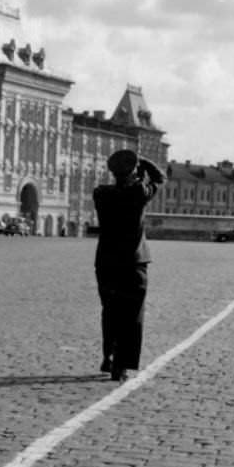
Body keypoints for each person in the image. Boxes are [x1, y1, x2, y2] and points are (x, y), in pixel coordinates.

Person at [93, 149, 165, 382]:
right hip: (133, 262)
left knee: (110, 311)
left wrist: (133, 169)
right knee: (131, 315)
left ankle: (109, 356)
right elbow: (160, 178)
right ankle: (121, 365)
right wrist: (142, 164)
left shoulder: (101, 193)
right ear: (132, 171)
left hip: (106, 262)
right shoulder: (138, 192)